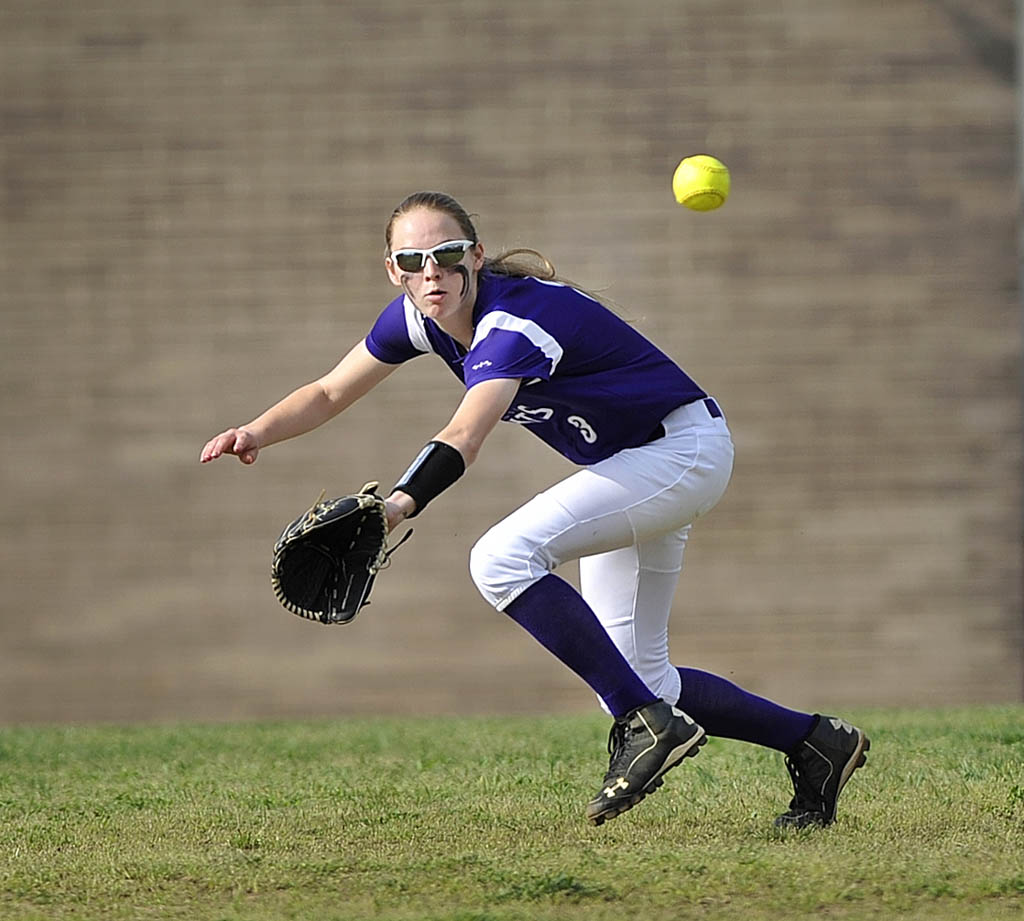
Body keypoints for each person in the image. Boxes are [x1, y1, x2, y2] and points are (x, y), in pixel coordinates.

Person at [200, 190, 869, 827]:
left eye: (446, 254)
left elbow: (465, 433)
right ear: (393, 270)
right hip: (634, 463)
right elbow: (327, 391)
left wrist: (396, 506)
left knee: (500, 557)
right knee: (643, 673)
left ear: (476, 255)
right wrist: (255, 431)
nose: (431, 271)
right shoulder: (420, 319)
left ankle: (643, 722)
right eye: (412, 260)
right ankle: (814, 742)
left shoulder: (513, 321)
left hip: (681, 450)